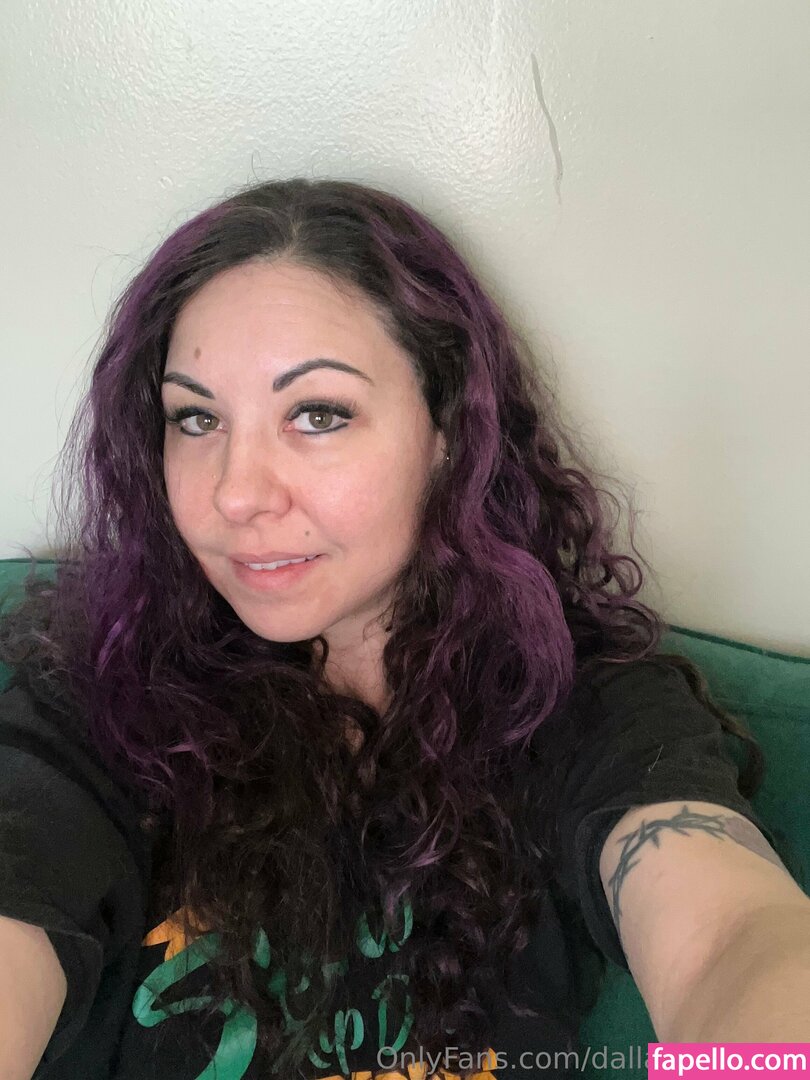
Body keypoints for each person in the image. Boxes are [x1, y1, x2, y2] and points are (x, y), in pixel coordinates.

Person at [0, 177, 808, 1080]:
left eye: (318, 415)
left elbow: (728, 938)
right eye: (196, 418)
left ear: (447, 432)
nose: (235, 493)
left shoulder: (580, 705)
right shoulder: (97, 693)